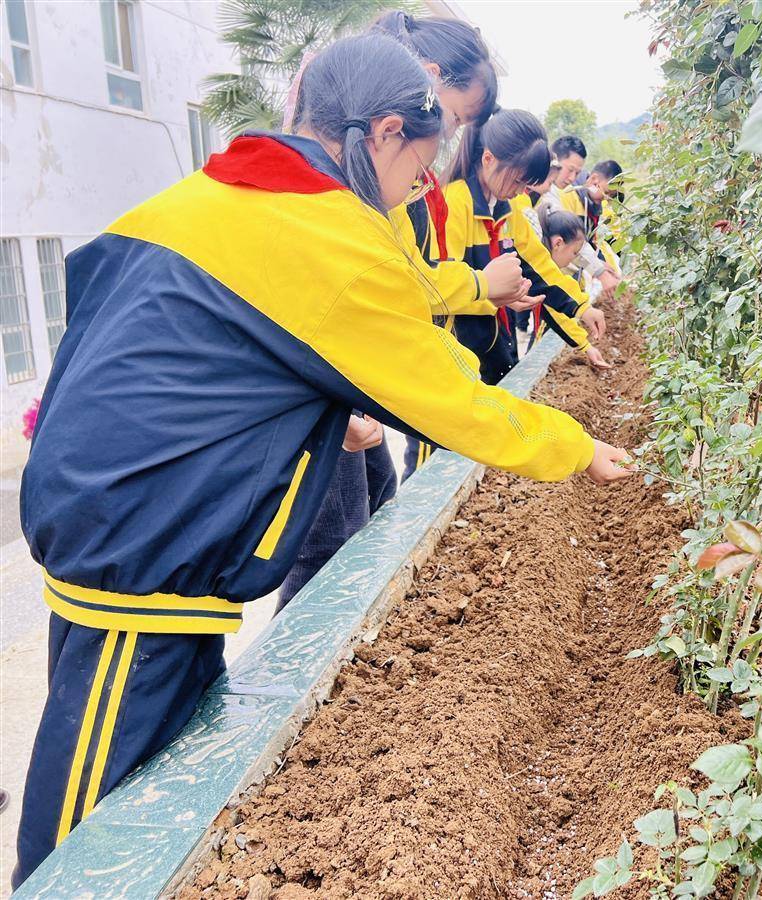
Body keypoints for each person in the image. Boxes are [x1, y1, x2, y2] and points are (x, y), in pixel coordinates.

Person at [13, 33, 630, 888]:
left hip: (110, 508)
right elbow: (448, 399)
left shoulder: (217, 189)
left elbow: (116, 307)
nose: (419, 188)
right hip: (138, 548)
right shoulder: (330, 234)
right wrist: (576, 448)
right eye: (419, 164)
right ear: (381, 132)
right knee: (87, 832)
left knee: (142, 779)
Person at [279, 11, 526, 606]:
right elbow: (381, 284)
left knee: (375, 515)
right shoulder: (352, 173)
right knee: (324, 559)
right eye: (452, 119)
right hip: (320, 386)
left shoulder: (387, 168)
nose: (441, 150)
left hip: (348, 379)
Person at [440, 110, 608, 387]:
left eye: (526, 184)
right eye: (518, 180)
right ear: (488, 159)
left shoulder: (511, 206)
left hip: (494, 344)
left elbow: (539, 267)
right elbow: (439, 289)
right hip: (454, 354)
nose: (521, 191)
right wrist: (493, 296)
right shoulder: (454, 203)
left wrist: (580, 308)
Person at [539, 137, 621, 302]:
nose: (571, 178)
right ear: (554, 160)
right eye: (570, 170)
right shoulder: (556, 195)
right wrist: (599, 272)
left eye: (576, 173)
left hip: (562, 281)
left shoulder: (559, 192)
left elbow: (585, 243)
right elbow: (570, 237)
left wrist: (600, 266)